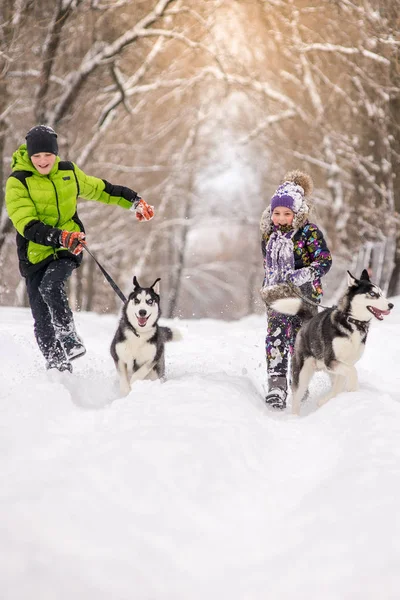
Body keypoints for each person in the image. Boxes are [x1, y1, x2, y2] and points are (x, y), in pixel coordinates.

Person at [5, 125, 154, 373]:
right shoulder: (18, 181)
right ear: (30, 156)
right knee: (42, 320)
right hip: (35, 254)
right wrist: (58, 236)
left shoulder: (68, 173)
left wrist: (135, 202)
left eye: (48, 155)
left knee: (51, 285)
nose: (43, 161)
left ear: (56, 153)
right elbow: (26, 224)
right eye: (37, 156)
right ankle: (58, 368)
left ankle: (69, 335)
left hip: (68, 248)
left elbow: (102, 189)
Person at [259, 170, 332, 409]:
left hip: (305, 297)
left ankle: (300, 381)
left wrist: (304, 273)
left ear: (297, 213)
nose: (280, 218)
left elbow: (324, 261)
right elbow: (267, 263)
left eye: (286, 214)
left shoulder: (309, 233)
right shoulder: (269, 235)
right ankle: (277, 387)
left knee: (299, 341)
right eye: (276, 213)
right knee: (276, 338)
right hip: (278, 294)